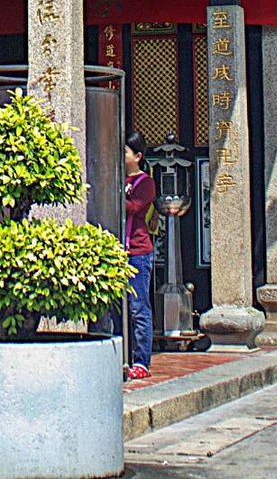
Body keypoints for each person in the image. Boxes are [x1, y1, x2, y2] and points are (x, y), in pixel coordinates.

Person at [123, 132, 157, 380]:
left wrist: (114, 193)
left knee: (138, 307)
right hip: (117, 251)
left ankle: (142, 360)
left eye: (125, 152)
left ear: (137, 156)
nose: (121, 156)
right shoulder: (117, 176)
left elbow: (135, 208)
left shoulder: (145, 183)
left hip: (137, 252)